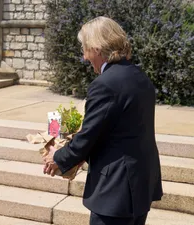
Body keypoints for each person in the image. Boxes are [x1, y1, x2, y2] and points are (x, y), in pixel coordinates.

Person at [43, 16, 163, 225]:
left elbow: (89, 135)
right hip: (140, 183)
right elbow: (117, 132)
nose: (84, 56)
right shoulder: (140, 77)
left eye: (85, 48)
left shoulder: (105, 84)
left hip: (116, 191)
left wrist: (59, 157)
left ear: (96, 48)